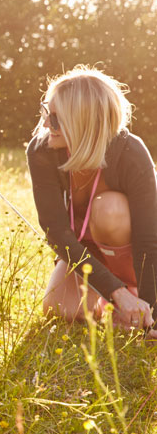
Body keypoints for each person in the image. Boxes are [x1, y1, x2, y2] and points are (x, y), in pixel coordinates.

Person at [28, 66, 157, 337]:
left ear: (83, 121)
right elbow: (57, 233)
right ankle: (119, 306)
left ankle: (137, 301)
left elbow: (148, 240)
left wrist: (154, 318)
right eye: (45, 112)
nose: (45, 125)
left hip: (135, 253)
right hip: (89, 251)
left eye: (55, 118)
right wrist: (115, 292)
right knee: (59, 309)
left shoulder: (130, 152)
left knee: (109, 208)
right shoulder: (42, 150)